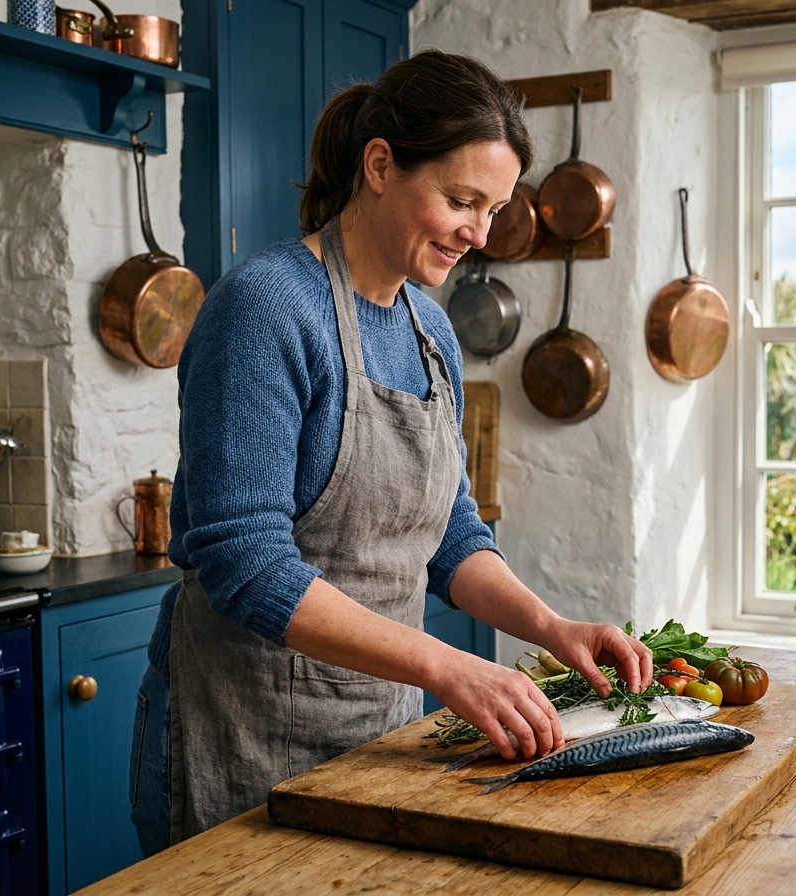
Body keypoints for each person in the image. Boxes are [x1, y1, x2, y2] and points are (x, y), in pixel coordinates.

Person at [128, 49, 653, 856]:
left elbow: (451, 537)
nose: (478, 233)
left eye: (494, 209)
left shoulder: (430, 330)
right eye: (461, 200)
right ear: (380, 165)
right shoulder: (267, 307)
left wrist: (552, 628)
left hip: (379, 734)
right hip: (243, 734)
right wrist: (449, 668)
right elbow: (245, 563)